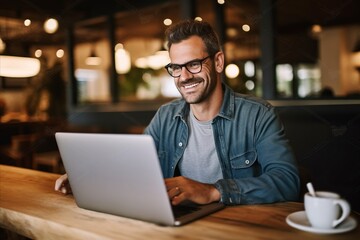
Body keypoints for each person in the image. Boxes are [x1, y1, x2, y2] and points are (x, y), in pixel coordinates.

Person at [55, 19, 300, 206]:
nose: (184, 77)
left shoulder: (258, 115)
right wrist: (87, 177)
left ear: (218, 62)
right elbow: (132, 163)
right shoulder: (166, 116)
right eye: (175, 67)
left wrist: (214, 191)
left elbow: (287, 181)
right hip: (176, 225)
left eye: (193, 64)